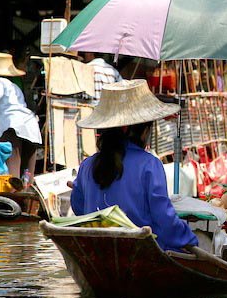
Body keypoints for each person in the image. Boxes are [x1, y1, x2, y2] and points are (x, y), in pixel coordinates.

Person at [70, 79, 197, 252]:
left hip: (99, 250)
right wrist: (190, 239)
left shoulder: (87, 166)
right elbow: (164, 219)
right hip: (144, 252)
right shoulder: (150, 165)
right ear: (144, 131)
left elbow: (79, 209)